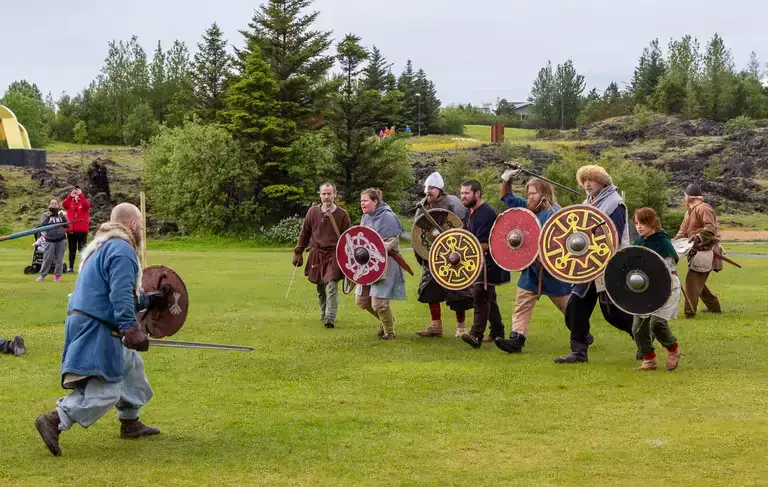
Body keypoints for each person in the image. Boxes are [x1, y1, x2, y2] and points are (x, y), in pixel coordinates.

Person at [35, 203, 162, 457]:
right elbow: (120, 294)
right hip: (97, 325)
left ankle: (130, 422)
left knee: (131, 366)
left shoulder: (101, 247)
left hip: (86, 318)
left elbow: (109, 291)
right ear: (134, 225)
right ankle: (56, 418)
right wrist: (131, 328)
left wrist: (148, 300)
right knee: (106, 389)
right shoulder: (122, 250)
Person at [554, 165, 634, 364]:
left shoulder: (615, 203)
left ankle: (644, 338)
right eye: (585, 180)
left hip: (609, 263)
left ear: (603, 182)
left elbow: (611, 235)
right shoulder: (587, 202)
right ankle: (579, 351)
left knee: (613, 312)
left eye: (592, 180)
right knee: (575, 307)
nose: (588, 184)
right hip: (587, 264)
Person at [494, 169, 572, 354]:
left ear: (543, 194)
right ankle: (516, 339)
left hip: (552, 271)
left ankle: (581, 333)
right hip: (531, 270)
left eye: (533, 193)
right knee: (522, 304)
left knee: (568, 308)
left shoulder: (555, 213)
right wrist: (507, 179)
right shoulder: (526, 210)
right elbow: (507, 197)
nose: (529, 197)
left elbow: (560, 240)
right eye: (528, 193)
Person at [414, 172, 473, 338]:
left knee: (458, 291)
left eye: (432, 189)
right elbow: (418, 232)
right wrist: (421, 254)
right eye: (427, 189)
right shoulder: (423, 205)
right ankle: (436, 325)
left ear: (440, 189)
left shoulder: (453, 203)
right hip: (432, 254)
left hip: (453, 253)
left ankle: (461, 327)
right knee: (429, 288)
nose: (428, 192)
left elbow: (462, 227)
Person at [459, 180, 511, 348]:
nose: (463, 196)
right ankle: (497, 331)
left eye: (467, 193)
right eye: (462, 193)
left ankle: (476, 334)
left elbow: (484, 244)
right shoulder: (470, 211)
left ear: (477, 194)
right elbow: (467, 234)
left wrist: (464, 249)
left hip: (490, 261)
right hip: (479, 261)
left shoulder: (486, 214)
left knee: (480, 295)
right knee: (490, 298)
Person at [293, 183, 352, 329]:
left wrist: (349, 256)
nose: (326, 197)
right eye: (324, 194)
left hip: (334, 254)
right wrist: (298, 251)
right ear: (320, 195)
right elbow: (305, 233)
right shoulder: (312, 212)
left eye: (329, 194)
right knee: (320, 286)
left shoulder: (342, 214)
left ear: (335, 194)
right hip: (317, 253)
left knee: (331, 283)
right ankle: (323, 311)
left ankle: (329, 317)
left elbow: (348, 237)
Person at [632, 207, 682, 371]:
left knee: (657, 324)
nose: (639, 227)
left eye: (643, 223)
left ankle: (673, 349)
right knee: (638, 328)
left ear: (652, 222)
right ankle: (649, 359)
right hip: (645, 288)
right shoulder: (639, 242)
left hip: (666, 286)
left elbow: (665, 269)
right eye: (637, 223)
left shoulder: (663, 242)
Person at [356, 188, 405, 340]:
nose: (362, 203)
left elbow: (393, 240)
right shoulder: (365, 217)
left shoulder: (388, 217)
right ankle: (387, 321)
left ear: (375, 201)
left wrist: (375, 248)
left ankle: (389, 332)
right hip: (367, 263)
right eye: (361, 201)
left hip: (386, 262)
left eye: (366, 200)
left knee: (379, 303)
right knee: (362, 300)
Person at [675, 183, 723, 319]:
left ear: (689, 197)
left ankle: (689, 313)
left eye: (684, 196)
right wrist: (673, 243)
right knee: (698, 282)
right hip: (697, 252)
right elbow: (682, 232)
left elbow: (710, 228)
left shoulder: (704, 208)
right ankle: (714, 307)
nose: (684, 199)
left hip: (706, 251)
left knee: (692, 281)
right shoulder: (689, 212)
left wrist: (698, 237)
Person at [37, 199, 68, 282]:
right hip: (50, 239)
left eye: (55, 203)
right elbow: (42, 225)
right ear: (49, 205)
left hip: (61, 239)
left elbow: (67, 225)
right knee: (47, 258)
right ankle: (42, 276)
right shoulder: (45, 214)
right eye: (52, 203)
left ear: (58, 205)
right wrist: (49, 216)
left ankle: (58, 276)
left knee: (59, 259)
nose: (54, 205)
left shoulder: (61, 214)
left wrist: (63, 216)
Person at [62, 186, 91, 273]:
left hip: (81, 230)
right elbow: (64, 204)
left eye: (77, 192)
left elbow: (87, 205)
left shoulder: (84, 203)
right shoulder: (71, 203)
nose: (76, 195)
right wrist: (70, 196)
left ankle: (84, 266)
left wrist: (81, 195)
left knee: (82, 249)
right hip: (71, 230)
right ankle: (71, 267)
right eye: (75, 193)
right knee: (72, 249)